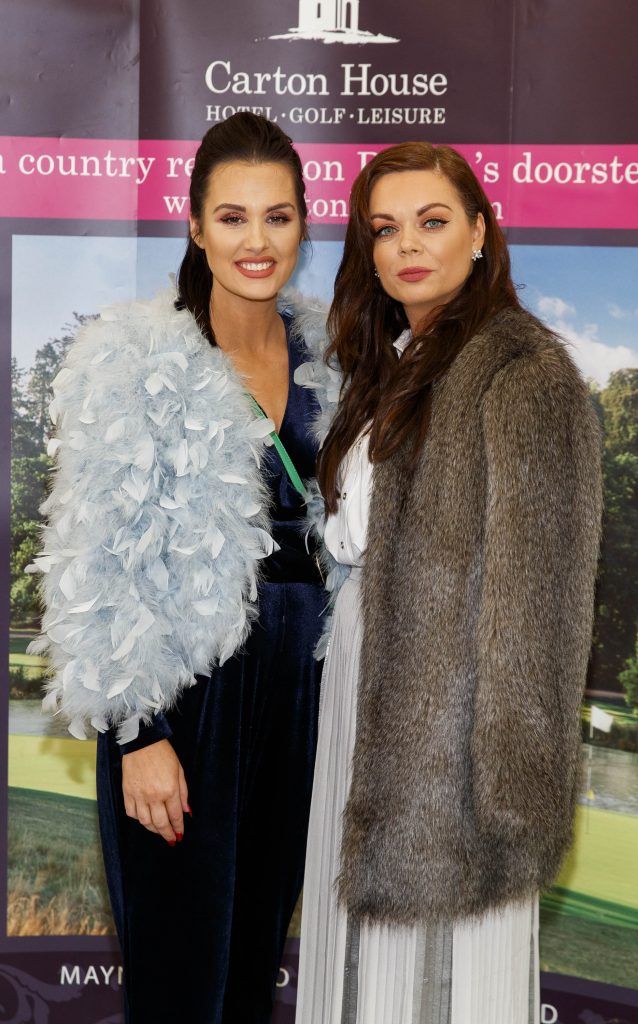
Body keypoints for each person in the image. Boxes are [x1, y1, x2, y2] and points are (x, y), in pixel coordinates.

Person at [28, 113, 337, 1024]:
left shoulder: (335, 355)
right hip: (184, 697)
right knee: (179, 986)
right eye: (232, 217)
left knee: (245, 983)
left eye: (277, 217)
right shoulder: (130, 355)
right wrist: (136, 733)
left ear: (303, 224)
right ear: (195, 225)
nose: (256, 241)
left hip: (302, 699)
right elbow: (94, 558)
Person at [294, 142, 602, 1024]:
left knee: (444, 984)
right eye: (385, 229)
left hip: (456, 733)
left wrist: (513, 783)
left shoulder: (524, 373)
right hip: (359, 683)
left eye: (432, 222)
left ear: (479, 231)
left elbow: (537, 600)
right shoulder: (384, 365)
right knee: (356, 964)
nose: (407, 247)